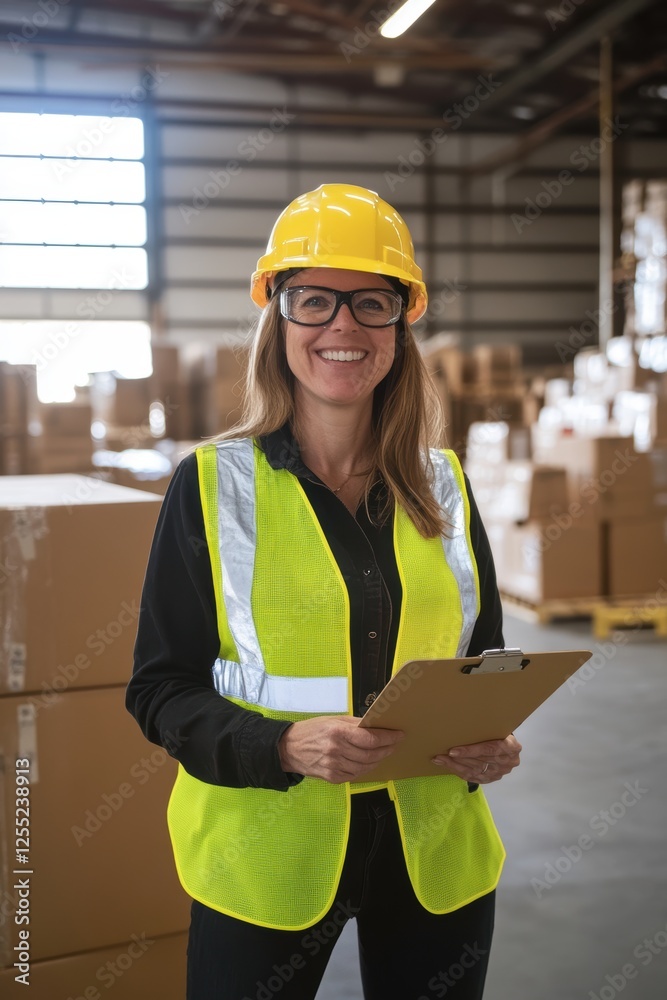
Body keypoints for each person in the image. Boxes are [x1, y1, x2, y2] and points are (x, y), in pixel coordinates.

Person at [126, 183, 521, 1000]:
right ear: (279, 319)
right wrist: (280, 744)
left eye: (370, 302)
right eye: (314, 301)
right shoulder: (210, 487)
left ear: (400, 326)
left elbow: (483, 667)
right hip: (266, 855)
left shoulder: (444, 486)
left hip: (432, 851)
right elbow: (159, 691)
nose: (342, 326)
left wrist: (491, 748)